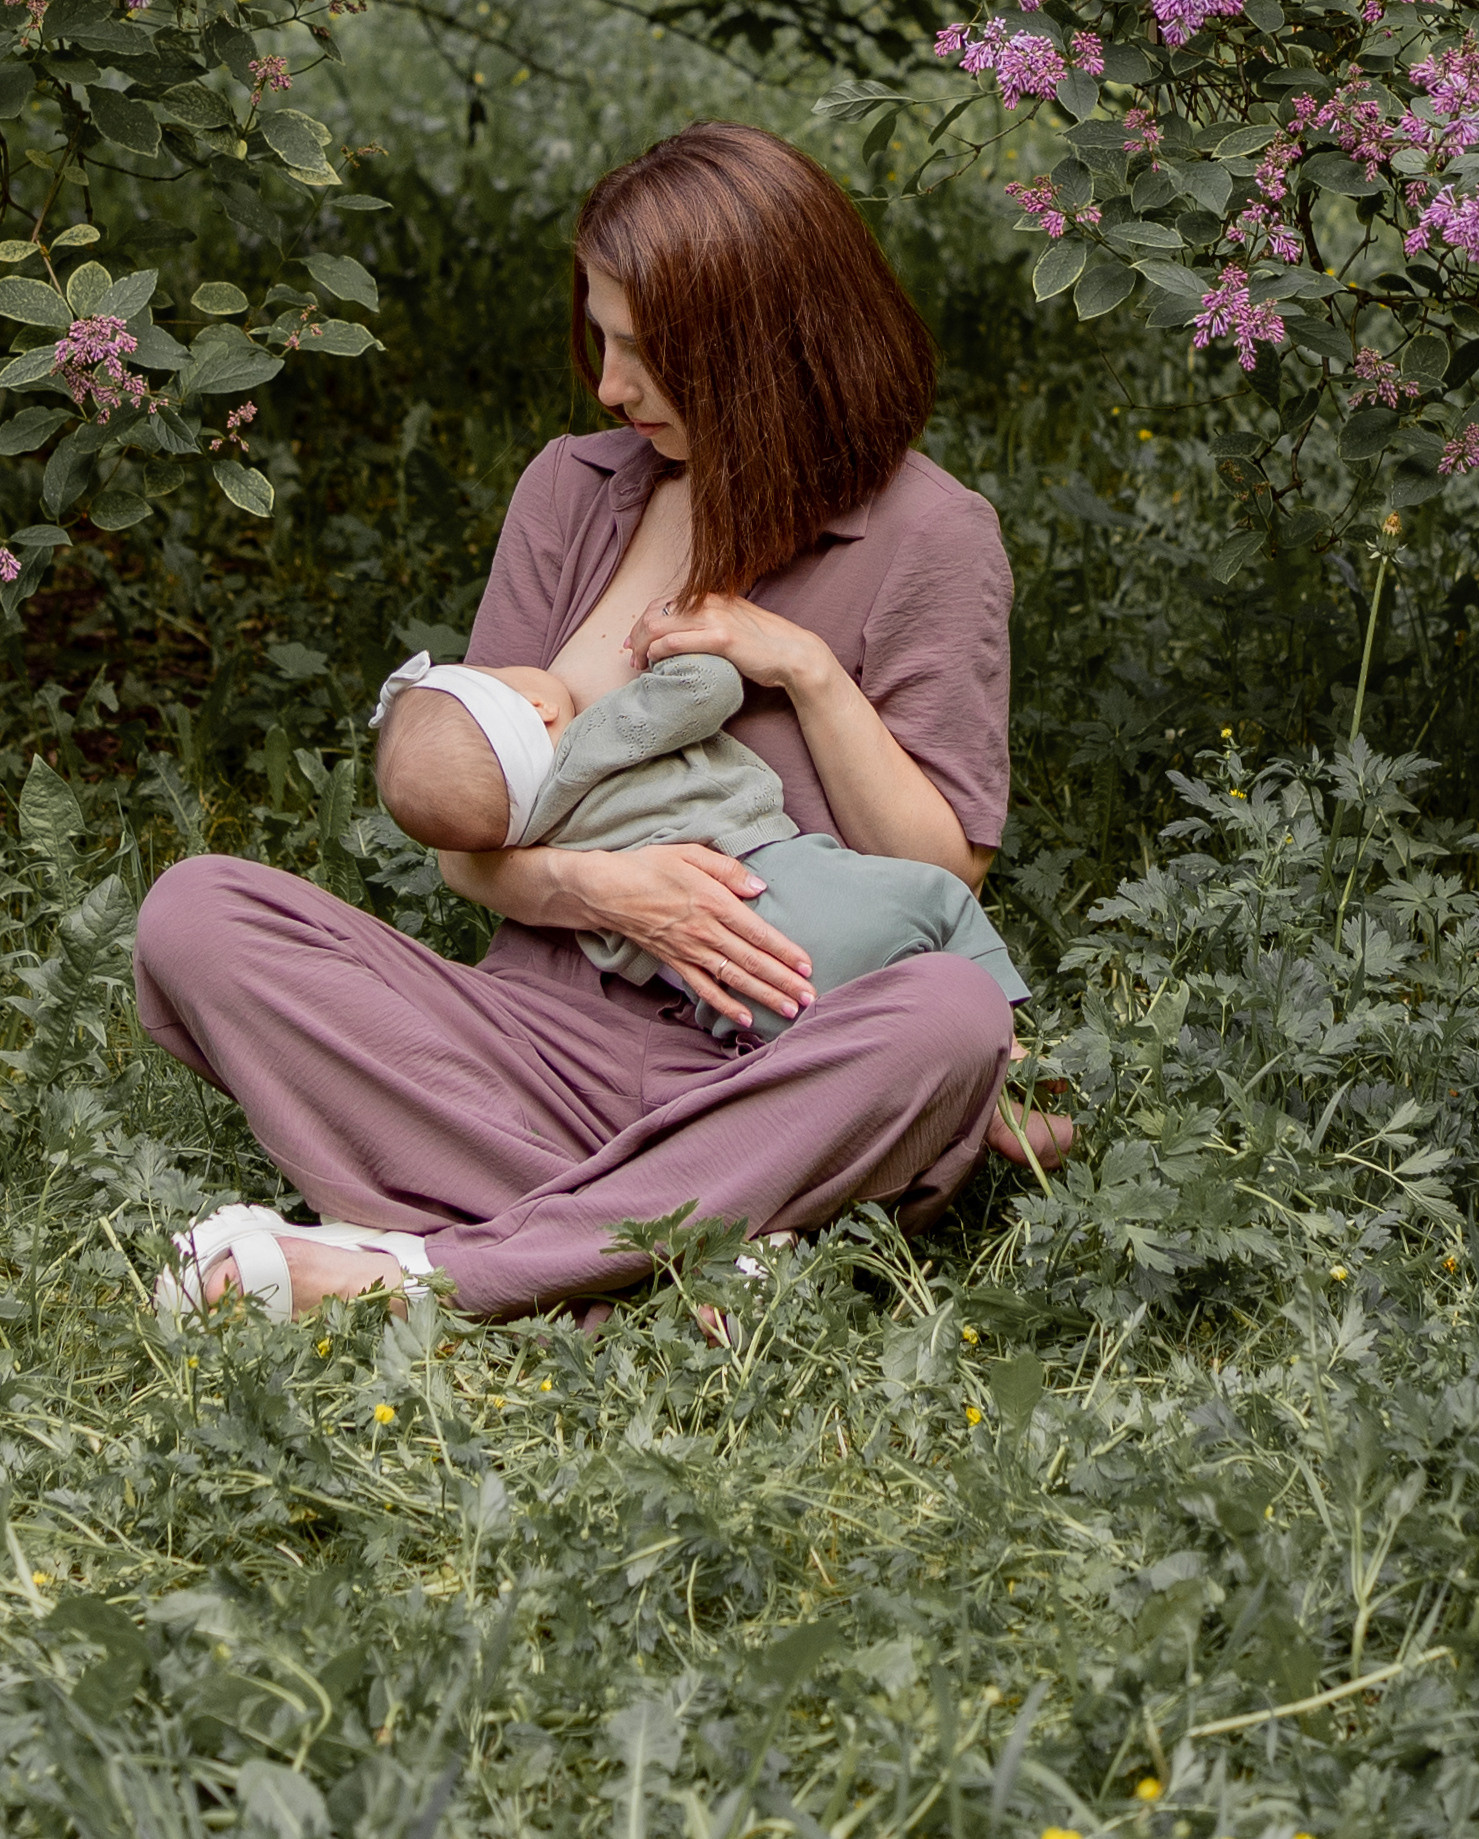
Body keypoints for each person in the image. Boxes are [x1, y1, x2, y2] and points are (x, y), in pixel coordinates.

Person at [132, 117, 1070, 1327]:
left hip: (779, 1064)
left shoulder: (931, 534)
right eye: (604, 337)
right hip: (535, 1038)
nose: (611, 385)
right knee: (198, 912)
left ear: (764, 350)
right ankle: (690, 1239)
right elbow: (467, 840)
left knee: (950, 1016)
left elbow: (943, 875)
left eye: (647, 351)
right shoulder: (575, 490)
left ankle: (420, 1269)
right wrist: (606, 893)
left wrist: (809, 673)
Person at [370, 640, 1033, 1036]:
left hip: (735, 999)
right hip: (781, 888)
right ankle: (1011, 1053)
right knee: (939, 897)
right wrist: (672, 649)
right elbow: (708, 688)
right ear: (537, 707)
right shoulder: (594, 739)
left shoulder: (541, 841)